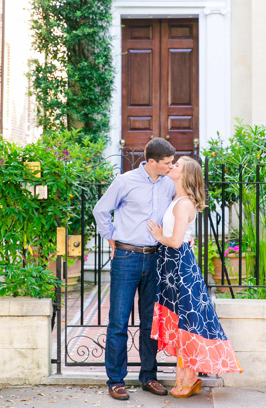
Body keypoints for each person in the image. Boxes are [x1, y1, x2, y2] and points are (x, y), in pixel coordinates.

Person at [147, 156, 243, 399]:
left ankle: (189, 377)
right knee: (180, 321)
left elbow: (176, 241)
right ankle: (186, 376)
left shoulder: (184, 204)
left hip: (179, 267)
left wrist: (159, 236)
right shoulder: (176, 199)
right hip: (171, 267)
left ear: (185, 175)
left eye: (177, 165)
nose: (172, 167)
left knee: (186, 321)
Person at [93, 137, 176, 401]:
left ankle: (148, 376)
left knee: (151, 321)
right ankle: (115, 380)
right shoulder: (125, 181)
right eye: (166, 163)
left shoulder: (168, 184)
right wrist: (111, 237)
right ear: (151, 162)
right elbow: (101, 210)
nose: (170, 167)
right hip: (126, 257)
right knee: (118, 320)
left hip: (155, 259)